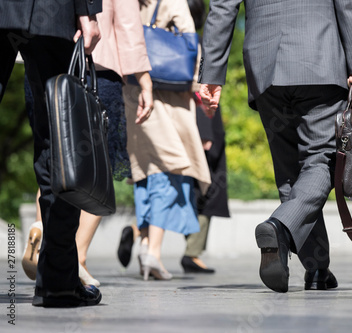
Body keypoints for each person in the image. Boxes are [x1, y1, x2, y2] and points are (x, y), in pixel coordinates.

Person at [199, 0, 352, 292]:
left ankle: (317, 269)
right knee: (323, 158)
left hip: (265, 67)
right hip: (319, 59)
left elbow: (222, 7)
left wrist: (212, 75)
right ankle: (280, 227)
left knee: (290, 170)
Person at [20, 0, 154, 287]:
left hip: (46, 60)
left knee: (54, 157)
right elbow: (128, 24)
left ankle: (41, 225)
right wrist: (144, 80)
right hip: (97, 73)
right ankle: (76, 258)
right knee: (93, 167)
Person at [0, 0, 102, 307]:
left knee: (59, 140)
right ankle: (58, 282)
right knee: (60, 140)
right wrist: (87, 9)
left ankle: (60, 280)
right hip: (50, 11)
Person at [123, 0, 211, 280]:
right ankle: (153, 252)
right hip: (168, 97)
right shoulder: (173, 1)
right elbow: (191, 43)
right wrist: (201, 89)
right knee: (170, 169)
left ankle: (147, 244)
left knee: (145, 172)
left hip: (132, 91)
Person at [178, 0, 230, 274]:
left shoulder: (171, 39)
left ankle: (140, 232)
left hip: (176, 119)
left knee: (179, 184)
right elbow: (199, 90)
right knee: (208, 187)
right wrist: (207, 130)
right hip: (202, 120)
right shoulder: (196, 43)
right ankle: (192, 252)